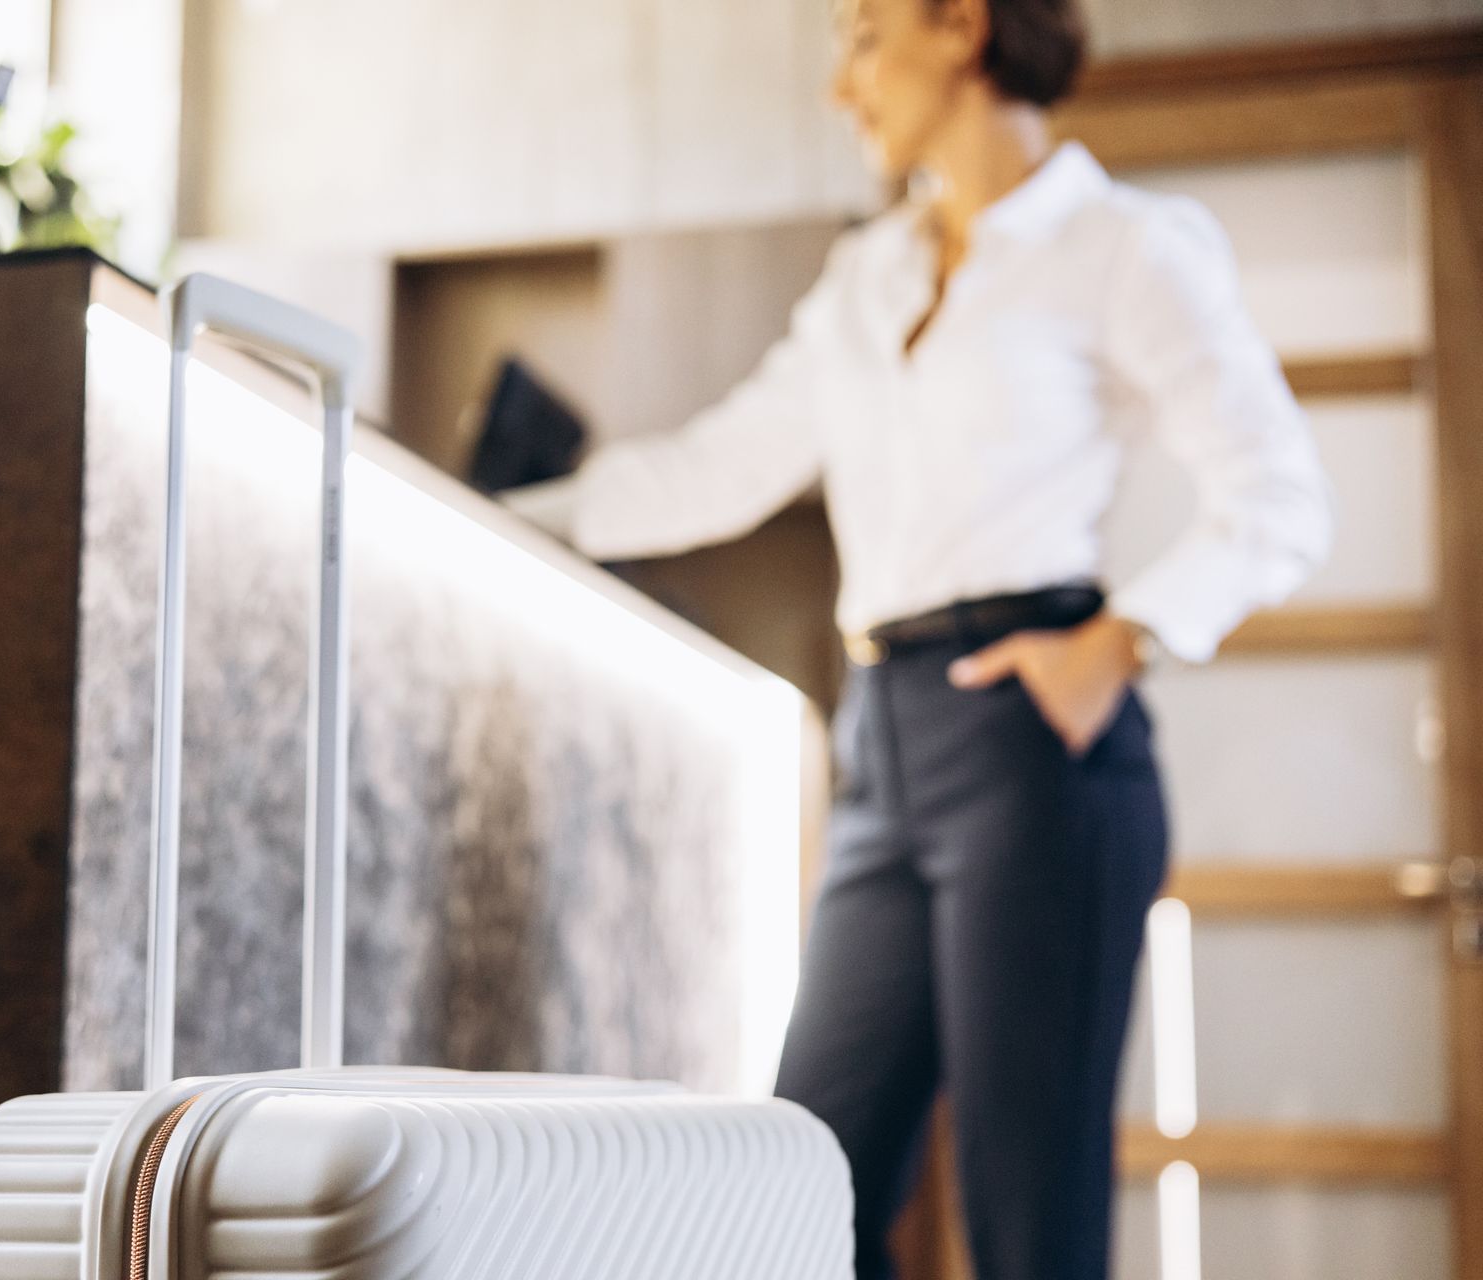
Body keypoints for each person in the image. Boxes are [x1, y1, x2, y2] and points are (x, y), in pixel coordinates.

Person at [500, 0, 1333, 1274]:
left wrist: (1116, 643)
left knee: (1025, 1218)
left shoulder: (1121, 245)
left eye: (863, 38)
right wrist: (507, 514)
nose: (844, 85)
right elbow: (722, 467)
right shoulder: (869, 275)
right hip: (883, 743)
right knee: (798, 1188)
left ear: (960, 27)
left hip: (1031, 735)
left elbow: (1280, 496)